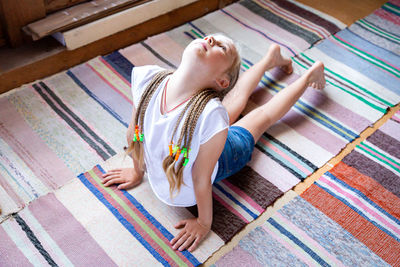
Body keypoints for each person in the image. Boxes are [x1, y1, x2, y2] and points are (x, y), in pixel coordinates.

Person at [102, 34, 326, 252]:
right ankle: (270, 59)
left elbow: (201, 177)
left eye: (222, 47)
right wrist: (137, 171)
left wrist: (203, 222)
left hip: (223, 153)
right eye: (210, 37)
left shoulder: (210, 116)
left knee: (262, 116)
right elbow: (136, 133)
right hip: (198, 132)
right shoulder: (149, 79)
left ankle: (308, 77)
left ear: (221, 81)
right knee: (234, 101)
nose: (210, 39)